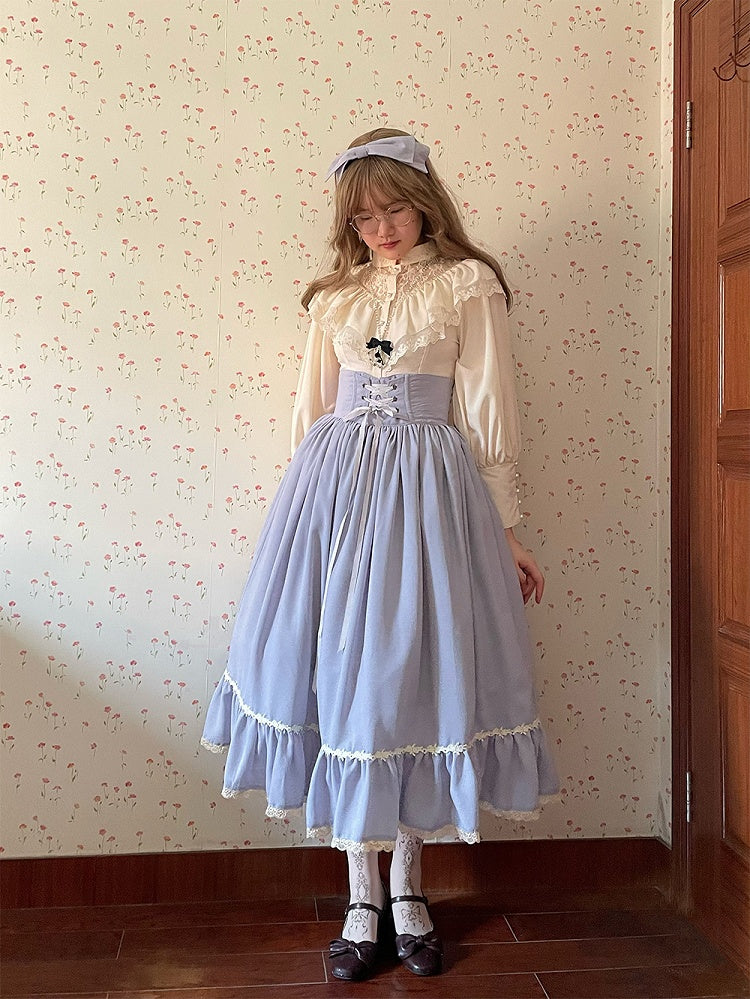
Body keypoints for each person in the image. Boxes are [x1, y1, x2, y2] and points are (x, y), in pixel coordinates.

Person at [201, 127, 559, 981]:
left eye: (395, 209)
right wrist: (302, 522)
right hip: (333, 501)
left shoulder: (468, 284)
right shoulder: (335, 297)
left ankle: (408, 888)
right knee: (340, 682)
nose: (382, 229)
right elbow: (311, 413)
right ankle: (360, 892)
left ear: (425, 204)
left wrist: (508, 530)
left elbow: (489, 410)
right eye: (364, 218)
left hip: (431, 501)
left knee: (412, 683)